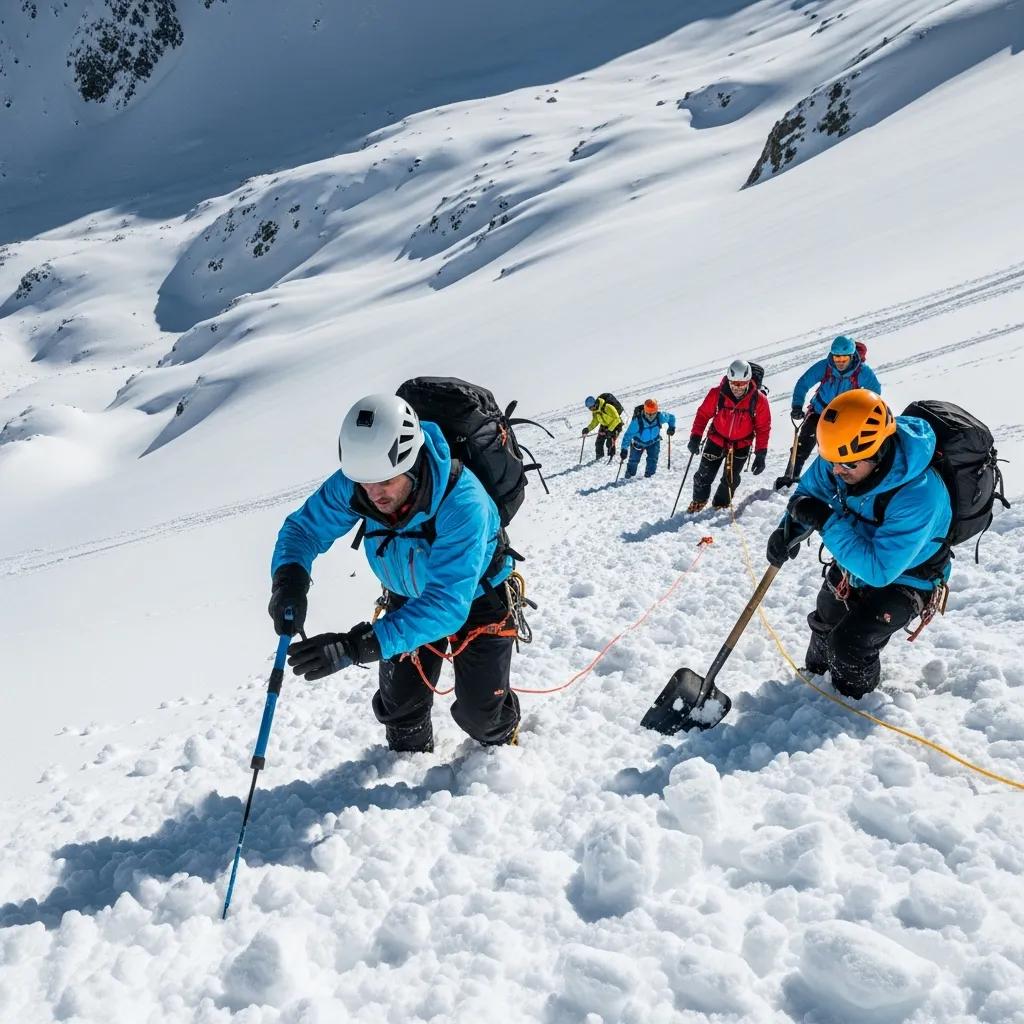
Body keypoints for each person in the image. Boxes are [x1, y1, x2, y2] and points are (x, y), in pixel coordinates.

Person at [268, 393, 521, 753]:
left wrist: (356, 646)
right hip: (406, 596)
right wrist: (288, 580)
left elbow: (447, 606)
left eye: (385, 482)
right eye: (364, 483)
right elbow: (304, 530)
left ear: (413, 461)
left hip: (479, 599)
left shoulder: (464, 502)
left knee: (480, 715)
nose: (373, 495)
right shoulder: (359, 481)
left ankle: (501, 748)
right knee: (400, 711)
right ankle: (405, 769)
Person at [766, 389, 952, 698]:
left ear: (878, 453)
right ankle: (813, 680)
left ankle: (851, 705)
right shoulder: (845, 454)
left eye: (847, 466)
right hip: (857, 553)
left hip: (907, 575)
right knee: (826, 617)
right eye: (833, 462)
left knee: (849, 645)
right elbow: (810, 492)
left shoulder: (920, 496)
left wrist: (825, 521)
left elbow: (879, 571)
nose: (837, 471)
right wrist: (789, 529)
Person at [776, 335, 881, 489]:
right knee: (802, 445)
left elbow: (875, 394)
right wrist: (797, 406)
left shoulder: (863, 372)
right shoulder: (825, 366)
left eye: (843, 359)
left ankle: (836, 482)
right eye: (837, 358)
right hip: (819, 412)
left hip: (843, 418)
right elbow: (803, 383)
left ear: (852, 356)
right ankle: (790, 477)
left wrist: (861, 414)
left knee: (837, 452)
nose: (839, 362)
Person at [686, 359, 771, 512]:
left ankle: (720, 505)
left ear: (748, 381)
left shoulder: (759, 400)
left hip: (741, 445)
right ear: (728, 379)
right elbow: (703, 415)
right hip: (716, 439)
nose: (737, 388)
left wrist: (761, 453)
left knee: (731, 480)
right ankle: (698, 502)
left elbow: (763, 428)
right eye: (733, 383)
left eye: (742, 384)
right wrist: (695, 436)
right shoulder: (717, 394)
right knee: (703, 476)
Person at [620, 398, 675, 478]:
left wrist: (672, 427)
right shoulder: (637, 421)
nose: (650, 416)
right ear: (645, 411)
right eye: (648, 413)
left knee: (653, 460)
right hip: (638, 443)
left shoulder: (660, 416)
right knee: (633, 460)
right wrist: (624, 449)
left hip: (654, 442)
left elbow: (671, 417)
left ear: (656, 411)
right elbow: (628, 435)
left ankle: (650, 476)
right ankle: (629, 474)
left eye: (653, 413)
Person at [582, 394, 623, 460]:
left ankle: (611, 458)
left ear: (595, 404)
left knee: (609, 443)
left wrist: (610, 430)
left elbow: (617, 419)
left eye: (591, 407)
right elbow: (595, 421)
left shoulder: (608, 407)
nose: (591, 410)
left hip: (615, 425)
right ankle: (599, 458)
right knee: (598, 443)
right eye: (589, 408)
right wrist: (588, 429)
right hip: (605, 426)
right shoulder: (595, 411)